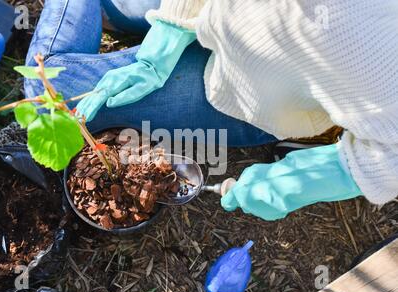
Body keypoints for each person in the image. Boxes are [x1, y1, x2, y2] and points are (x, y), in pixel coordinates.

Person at [25, 0, 398, 221]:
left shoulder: (376, 43)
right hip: (213, 19)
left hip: (252, 90)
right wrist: (166, 38)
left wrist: (311, 179)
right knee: (119, 9)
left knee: (45, 94)